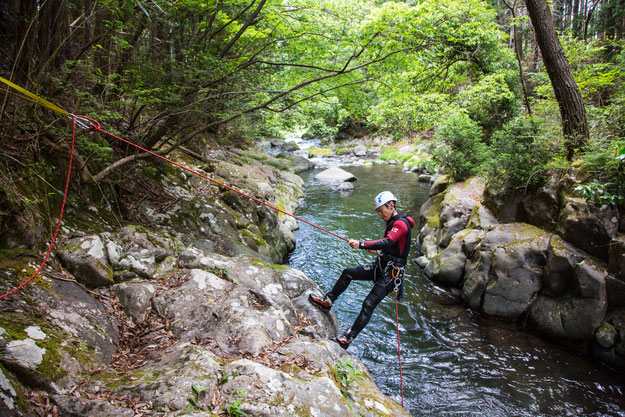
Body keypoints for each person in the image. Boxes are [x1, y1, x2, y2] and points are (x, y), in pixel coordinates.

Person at [309, 191, 415, 349]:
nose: (380, 214)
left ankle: (348, 338)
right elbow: (390, 248)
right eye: (378, 211)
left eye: (381, 210)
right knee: (348, 272)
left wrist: (362, 244)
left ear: (391, 205)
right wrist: (376, 251)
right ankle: (328, 301)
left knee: (368, 304)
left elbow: (387, 242)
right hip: (381, 266)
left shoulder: (400, 224)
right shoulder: (392, 222)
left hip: (392, 274)